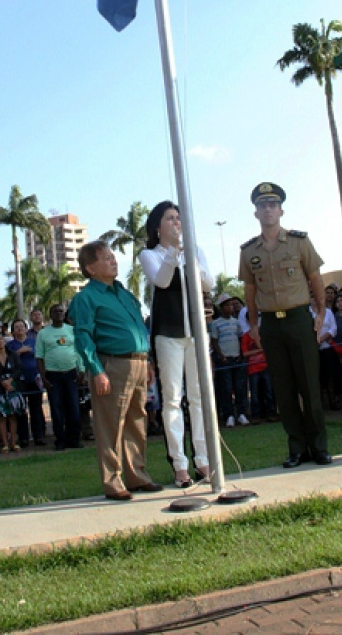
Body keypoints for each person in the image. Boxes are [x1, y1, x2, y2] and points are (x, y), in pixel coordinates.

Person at [239, 183, 331, 468]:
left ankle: (319, 447)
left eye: (273, 205)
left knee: (309, 386)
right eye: (262, 206)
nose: (268, 210)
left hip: (299, 320)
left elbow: (315, 278)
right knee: (284, 389)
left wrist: (320, 312)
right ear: (255, 212)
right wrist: (253, 323)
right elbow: (250, 290)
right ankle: (296, 448)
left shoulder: (299, 241)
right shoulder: (248, 250)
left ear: (281, 210)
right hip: (271, 326)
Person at [68, 240, 163, 500]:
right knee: (111, 425)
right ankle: (112, 481)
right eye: (106, 258)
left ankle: (137, 476)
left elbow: (139, 328)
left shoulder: (124, 293)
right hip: (112, 364)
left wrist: (148, 361)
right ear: (90, 268)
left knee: (136, 421)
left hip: (138, 363)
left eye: (113, 256)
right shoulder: (85, 298)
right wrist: (97, 371)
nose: (113, 261)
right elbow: (83, 336)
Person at [138, 201, 212, 487]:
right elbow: (163, 281)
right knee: (172, 399)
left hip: (195, 331)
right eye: (170, 219)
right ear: (158, 226)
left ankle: (204, 460)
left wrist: (188, 254)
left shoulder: (195, 251)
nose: (176, 223)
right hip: (168, 333)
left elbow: (206, 284)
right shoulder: (150, 254)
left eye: (179, 218)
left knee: (198, 396)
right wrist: (173, 253)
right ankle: (179, 464)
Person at [35, 303, 83, 451]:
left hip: (71, 374)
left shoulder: (72, 330)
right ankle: (60, 440)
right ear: (50, 315)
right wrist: (44, 378)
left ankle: (74, 440)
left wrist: (81, 370)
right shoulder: (43, 333)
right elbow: (39, 357)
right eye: (55, 311)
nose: (59, 313)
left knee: (74, 408)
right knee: (56, 410)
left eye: (61, 311)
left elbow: (79, 350)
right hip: (53, 375)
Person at [209, 295, 249, 429]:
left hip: (236, 357)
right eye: (227, 305)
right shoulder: (216, 323)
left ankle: (241, 413)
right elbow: (214, 341)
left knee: (239, 387)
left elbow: (240, 338)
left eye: (231, 305)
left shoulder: (236, 322)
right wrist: (221, 356)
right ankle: (229, 415)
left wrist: (241, 354)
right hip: (224, 359)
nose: (230, 307)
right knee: (226, 388)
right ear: (221, 308)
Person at [7, 317, 46, 446]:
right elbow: (8, 360)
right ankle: (23, 437)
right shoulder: (10, 345)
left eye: (22, 326)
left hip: (34, 378)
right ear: (13, 331)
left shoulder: (33, 341)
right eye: (16, 327)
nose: (19, 329)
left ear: (26, 328)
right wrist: (19, 352)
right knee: (21, 409)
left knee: (36, 408)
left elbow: (41, 356)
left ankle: (39, 436)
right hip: (19, 380)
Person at [0, 331, 25, 452]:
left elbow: (19, 369)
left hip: (13, 388)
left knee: (13, 416)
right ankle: (5, 443)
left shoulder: (13, 355)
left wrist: (10, 380)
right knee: (1, 417)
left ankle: (14, 442)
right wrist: (2, 382)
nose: (0, 342)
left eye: (1, 339)